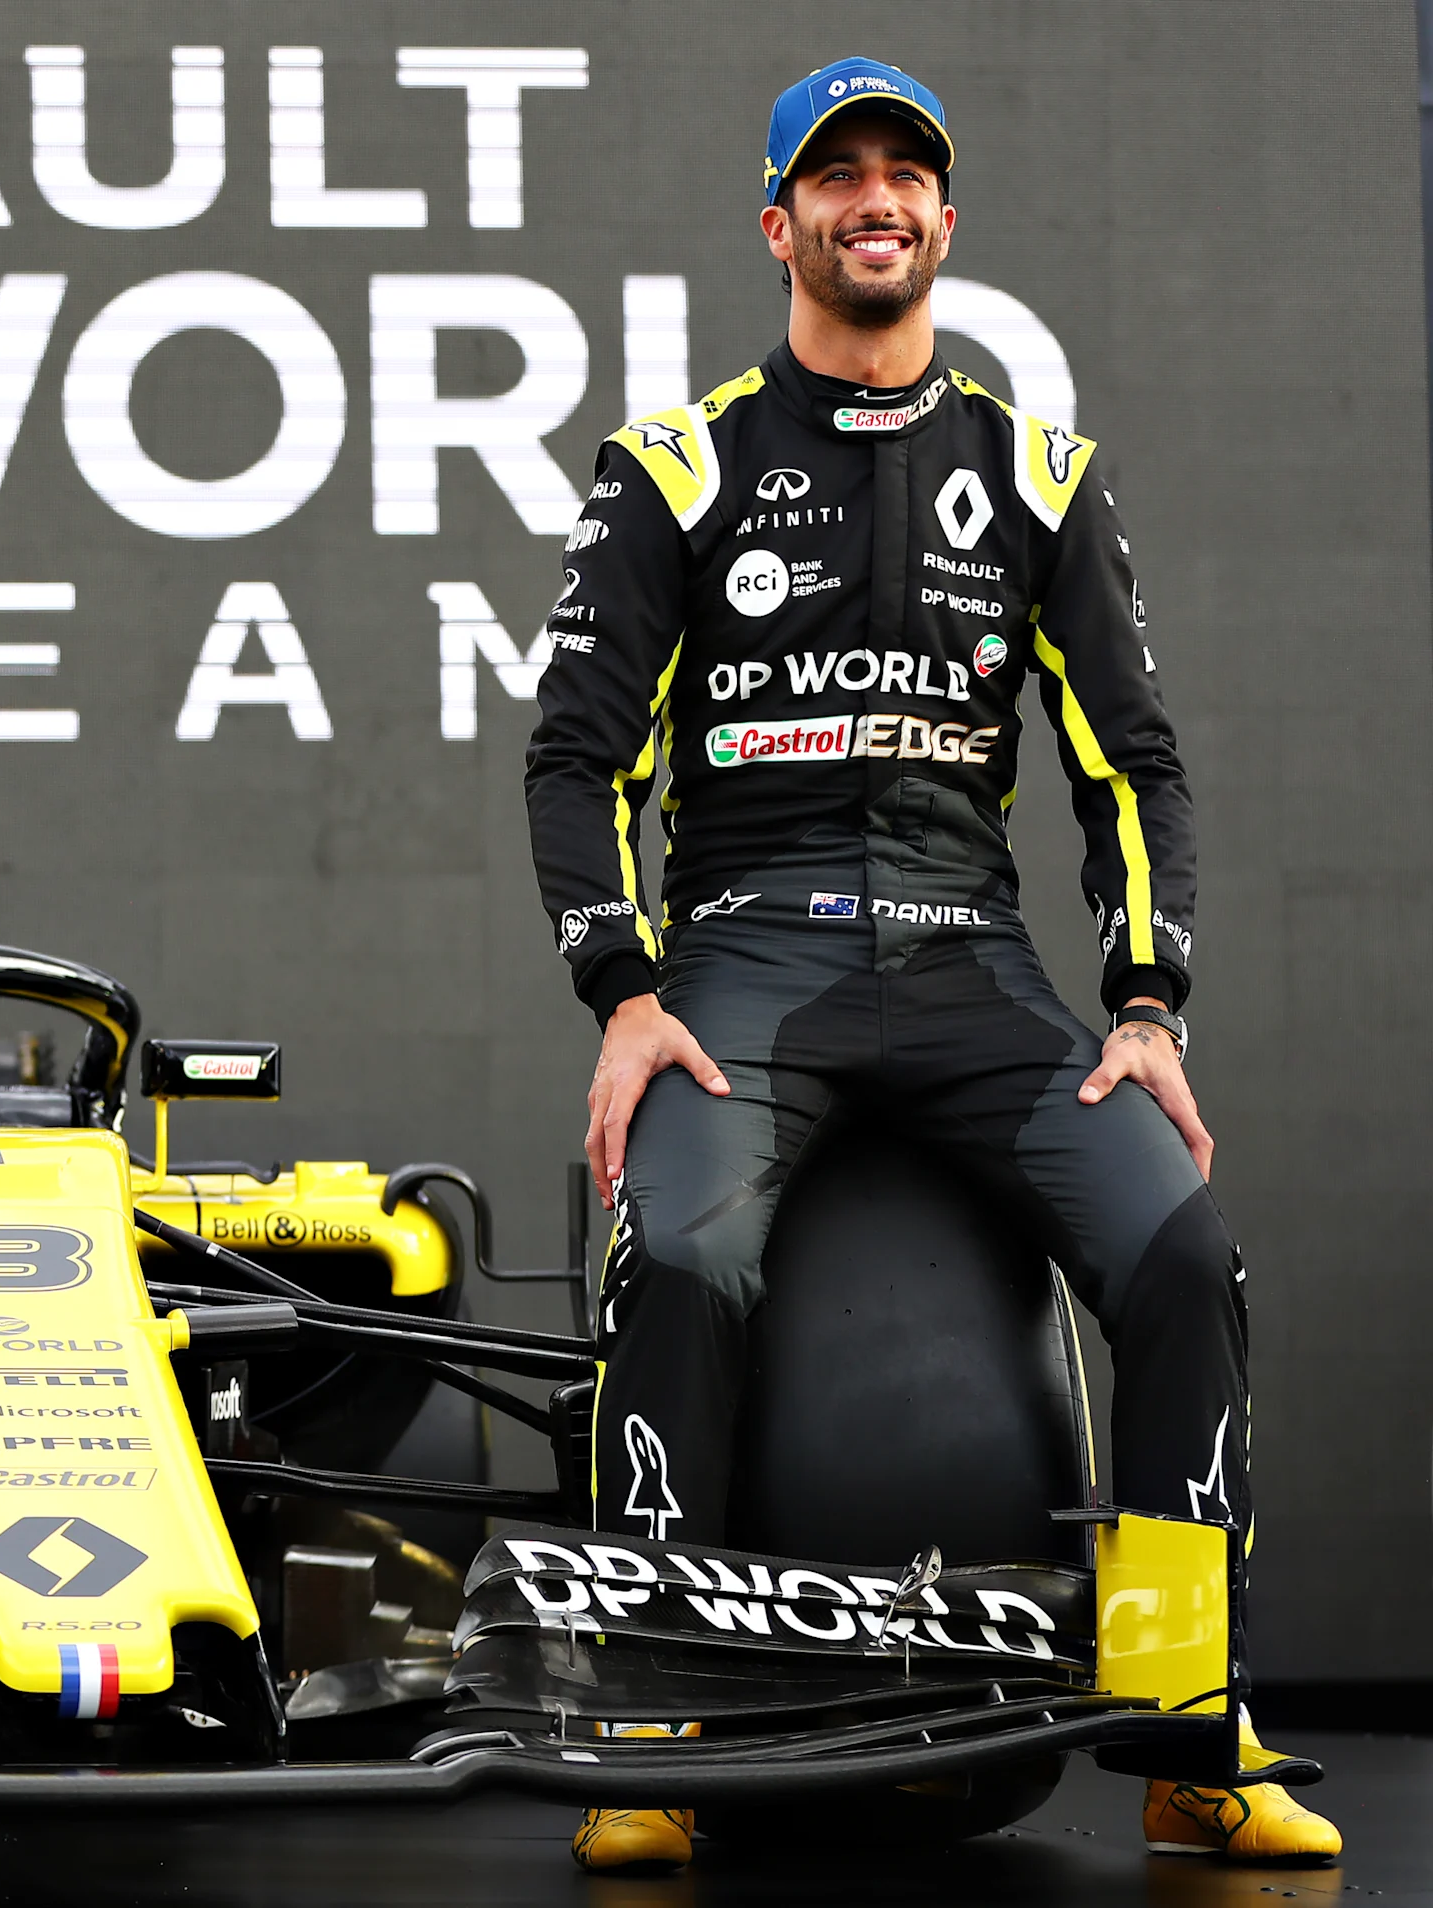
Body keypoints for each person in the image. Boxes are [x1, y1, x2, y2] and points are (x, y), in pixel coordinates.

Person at [525, 57, 1342, 1874]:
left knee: (1188, 1257)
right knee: (681, 1256)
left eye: (905, 174)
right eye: (838, 177)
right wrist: (625, 996)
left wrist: (1148, 1006)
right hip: (752, 960)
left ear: (945, 222)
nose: (874, 199)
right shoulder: (674, 467)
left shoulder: (1040, 472)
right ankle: (651, 1729)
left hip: (977, 968)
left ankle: (1187, 1734)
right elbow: (577, 758)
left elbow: (1135, 763)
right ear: (780, 225)